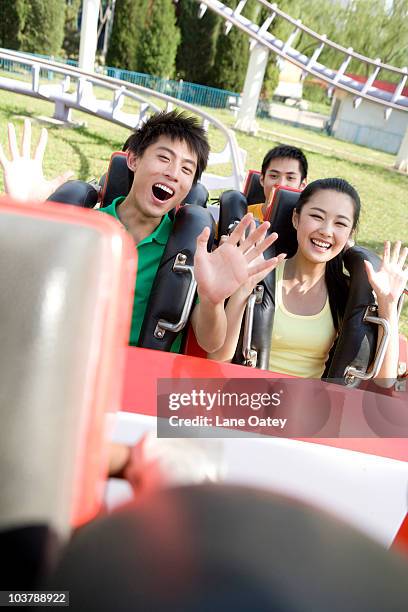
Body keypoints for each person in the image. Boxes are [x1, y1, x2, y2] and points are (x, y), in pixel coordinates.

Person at [0, 113, 285, 489]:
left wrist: (215, 298)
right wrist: (20, 214)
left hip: (137, 402)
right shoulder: (79, 226)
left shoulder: (192, 252)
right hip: (62, 382)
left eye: (186, 169)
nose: (173, 173)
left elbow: (214, 345)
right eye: (163, 158)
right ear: (133, 159)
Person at [210, 178, 407, 385]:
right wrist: (242, 288)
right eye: (317, 216)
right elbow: (218, 358)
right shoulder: (258, 273)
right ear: (296, 219)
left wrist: (388, 304)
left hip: (308, 408)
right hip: (247, 400)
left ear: (350, 234)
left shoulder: (346, 292)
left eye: (340, 223)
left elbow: (385, 381)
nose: (326, 230)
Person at [248, 144, 308, 222]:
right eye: (274, 176)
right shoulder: (244, 214)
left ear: (302, 185)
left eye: (290, 178)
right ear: (262, 179)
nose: (281, 184)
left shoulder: (302, 225)